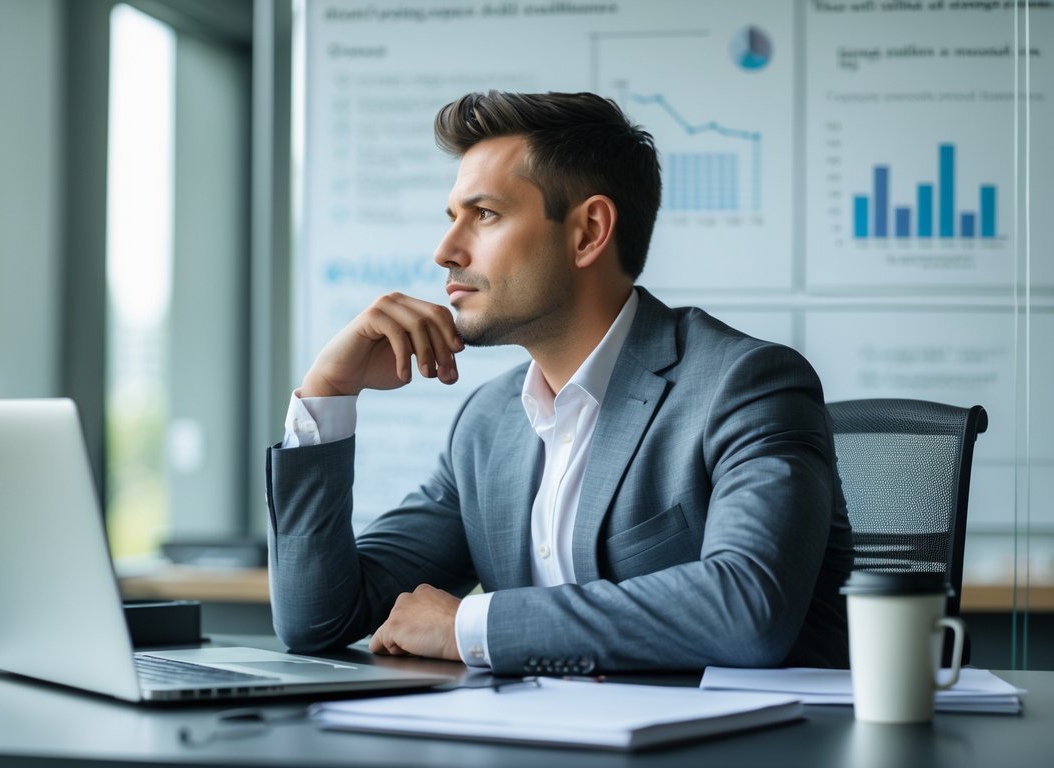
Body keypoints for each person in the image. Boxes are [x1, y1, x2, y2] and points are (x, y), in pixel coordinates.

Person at [266, 91, 852, 675]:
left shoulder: (746, 387)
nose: (445, 251)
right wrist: (327, 395)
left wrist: (471, 626)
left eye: (485, 215)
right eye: (452, 219)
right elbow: (318, 619)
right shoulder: (487, 424)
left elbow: (747, 609)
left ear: (588, 232)